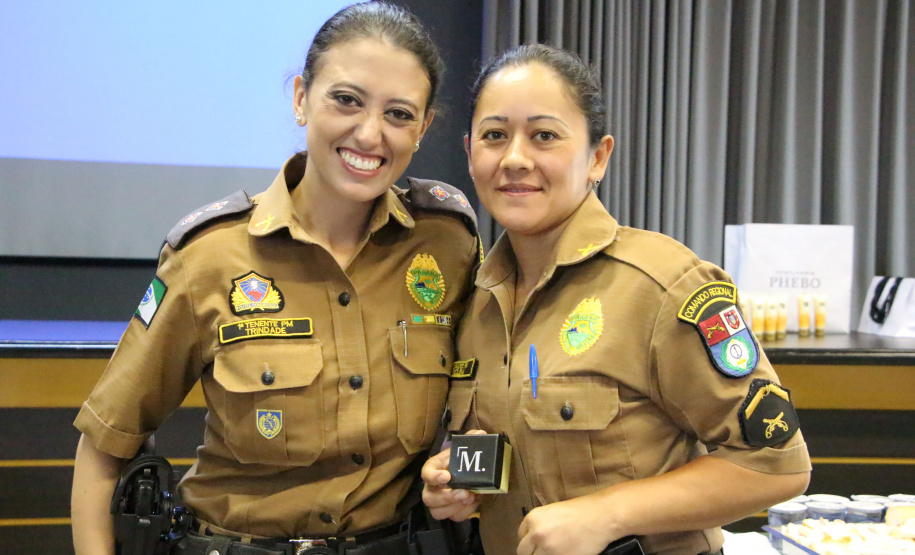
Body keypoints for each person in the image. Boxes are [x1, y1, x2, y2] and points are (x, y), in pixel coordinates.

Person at [71, 3, 480, 555]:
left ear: (424, 128)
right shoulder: (209, 256)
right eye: (347, 100)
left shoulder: (447, 245)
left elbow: (483, 408)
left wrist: (462, 477)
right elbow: (105, 444)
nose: (369, 133)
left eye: (399, 114)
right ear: (299, 99)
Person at [421, 44, 811, 555]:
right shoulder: (473, 299)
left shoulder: (662, 284)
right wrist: (458, 477)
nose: (515, 158)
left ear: (597, 157)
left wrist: (607, 514)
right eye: (495, 136)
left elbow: (776, 465)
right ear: (471, 153)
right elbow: (520, 438)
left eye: (544, 136)